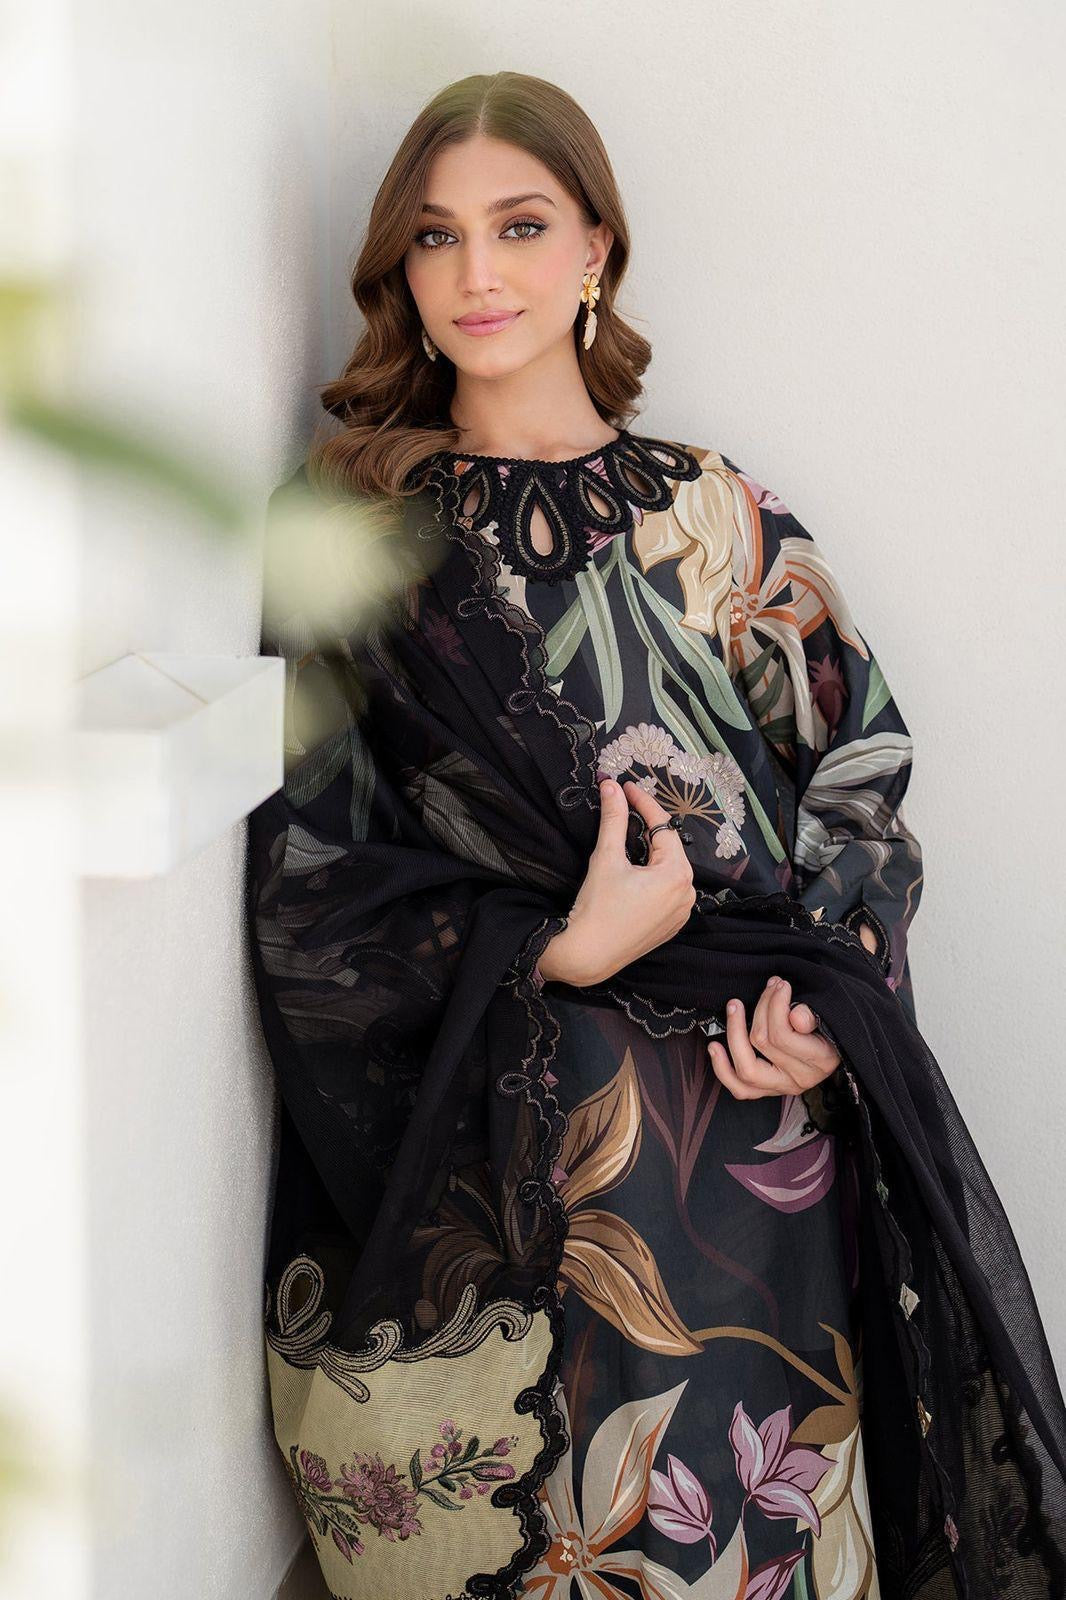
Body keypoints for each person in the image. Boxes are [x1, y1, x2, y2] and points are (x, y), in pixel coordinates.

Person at [245, 71, 1066, 1600]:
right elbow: (312, 868)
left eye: (519, 224)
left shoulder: (717, 515)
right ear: (397, 270)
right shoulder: (350, 535)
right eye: (433, 235)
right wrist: (555, 951)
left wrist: (823, 1008)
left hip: (766, 1141)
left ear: (595, 251)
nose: (475, 271)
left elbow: (859, 776)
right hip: (543, 1161)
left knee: (764, 1531)